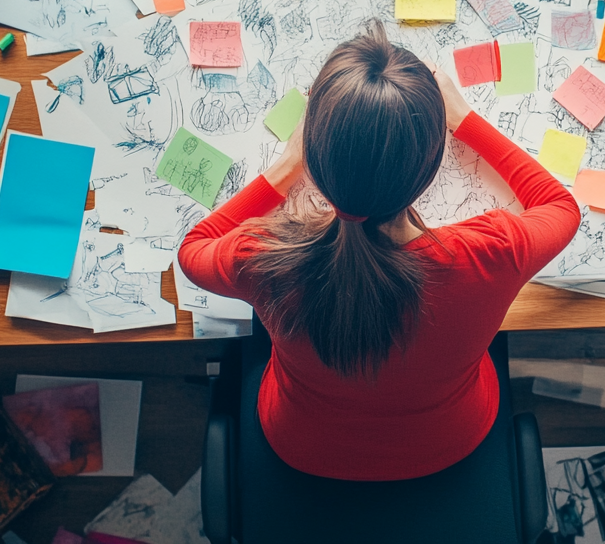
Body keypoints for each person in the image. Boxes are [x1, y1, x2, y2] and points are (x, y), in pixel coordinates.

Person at [178, 26, 580, 482]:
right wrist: (464, 118)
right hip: (451, 440)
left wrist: (287, 167)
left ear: (315, 151)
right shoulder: (491, 254)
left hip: (303, 446)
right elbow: (559, 206)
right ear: (429, 168)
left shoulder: (265, 261)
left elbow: (193, 249)